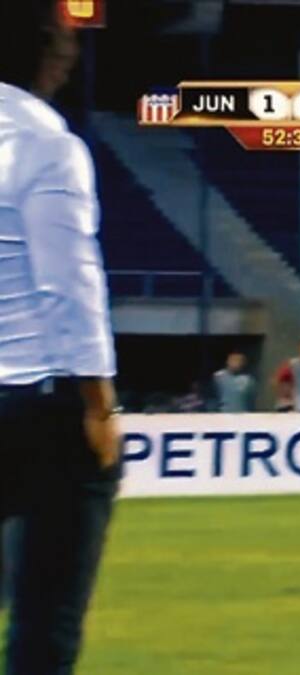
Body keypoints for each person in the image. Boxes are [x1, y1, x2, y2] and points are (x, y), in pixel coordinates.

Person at [0, 1, 122, 672]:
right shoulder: (45, 145)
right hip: (42, 407)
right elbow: (68, 283)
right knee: (45, 626)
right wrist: (97, 407)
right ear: (47, 49)